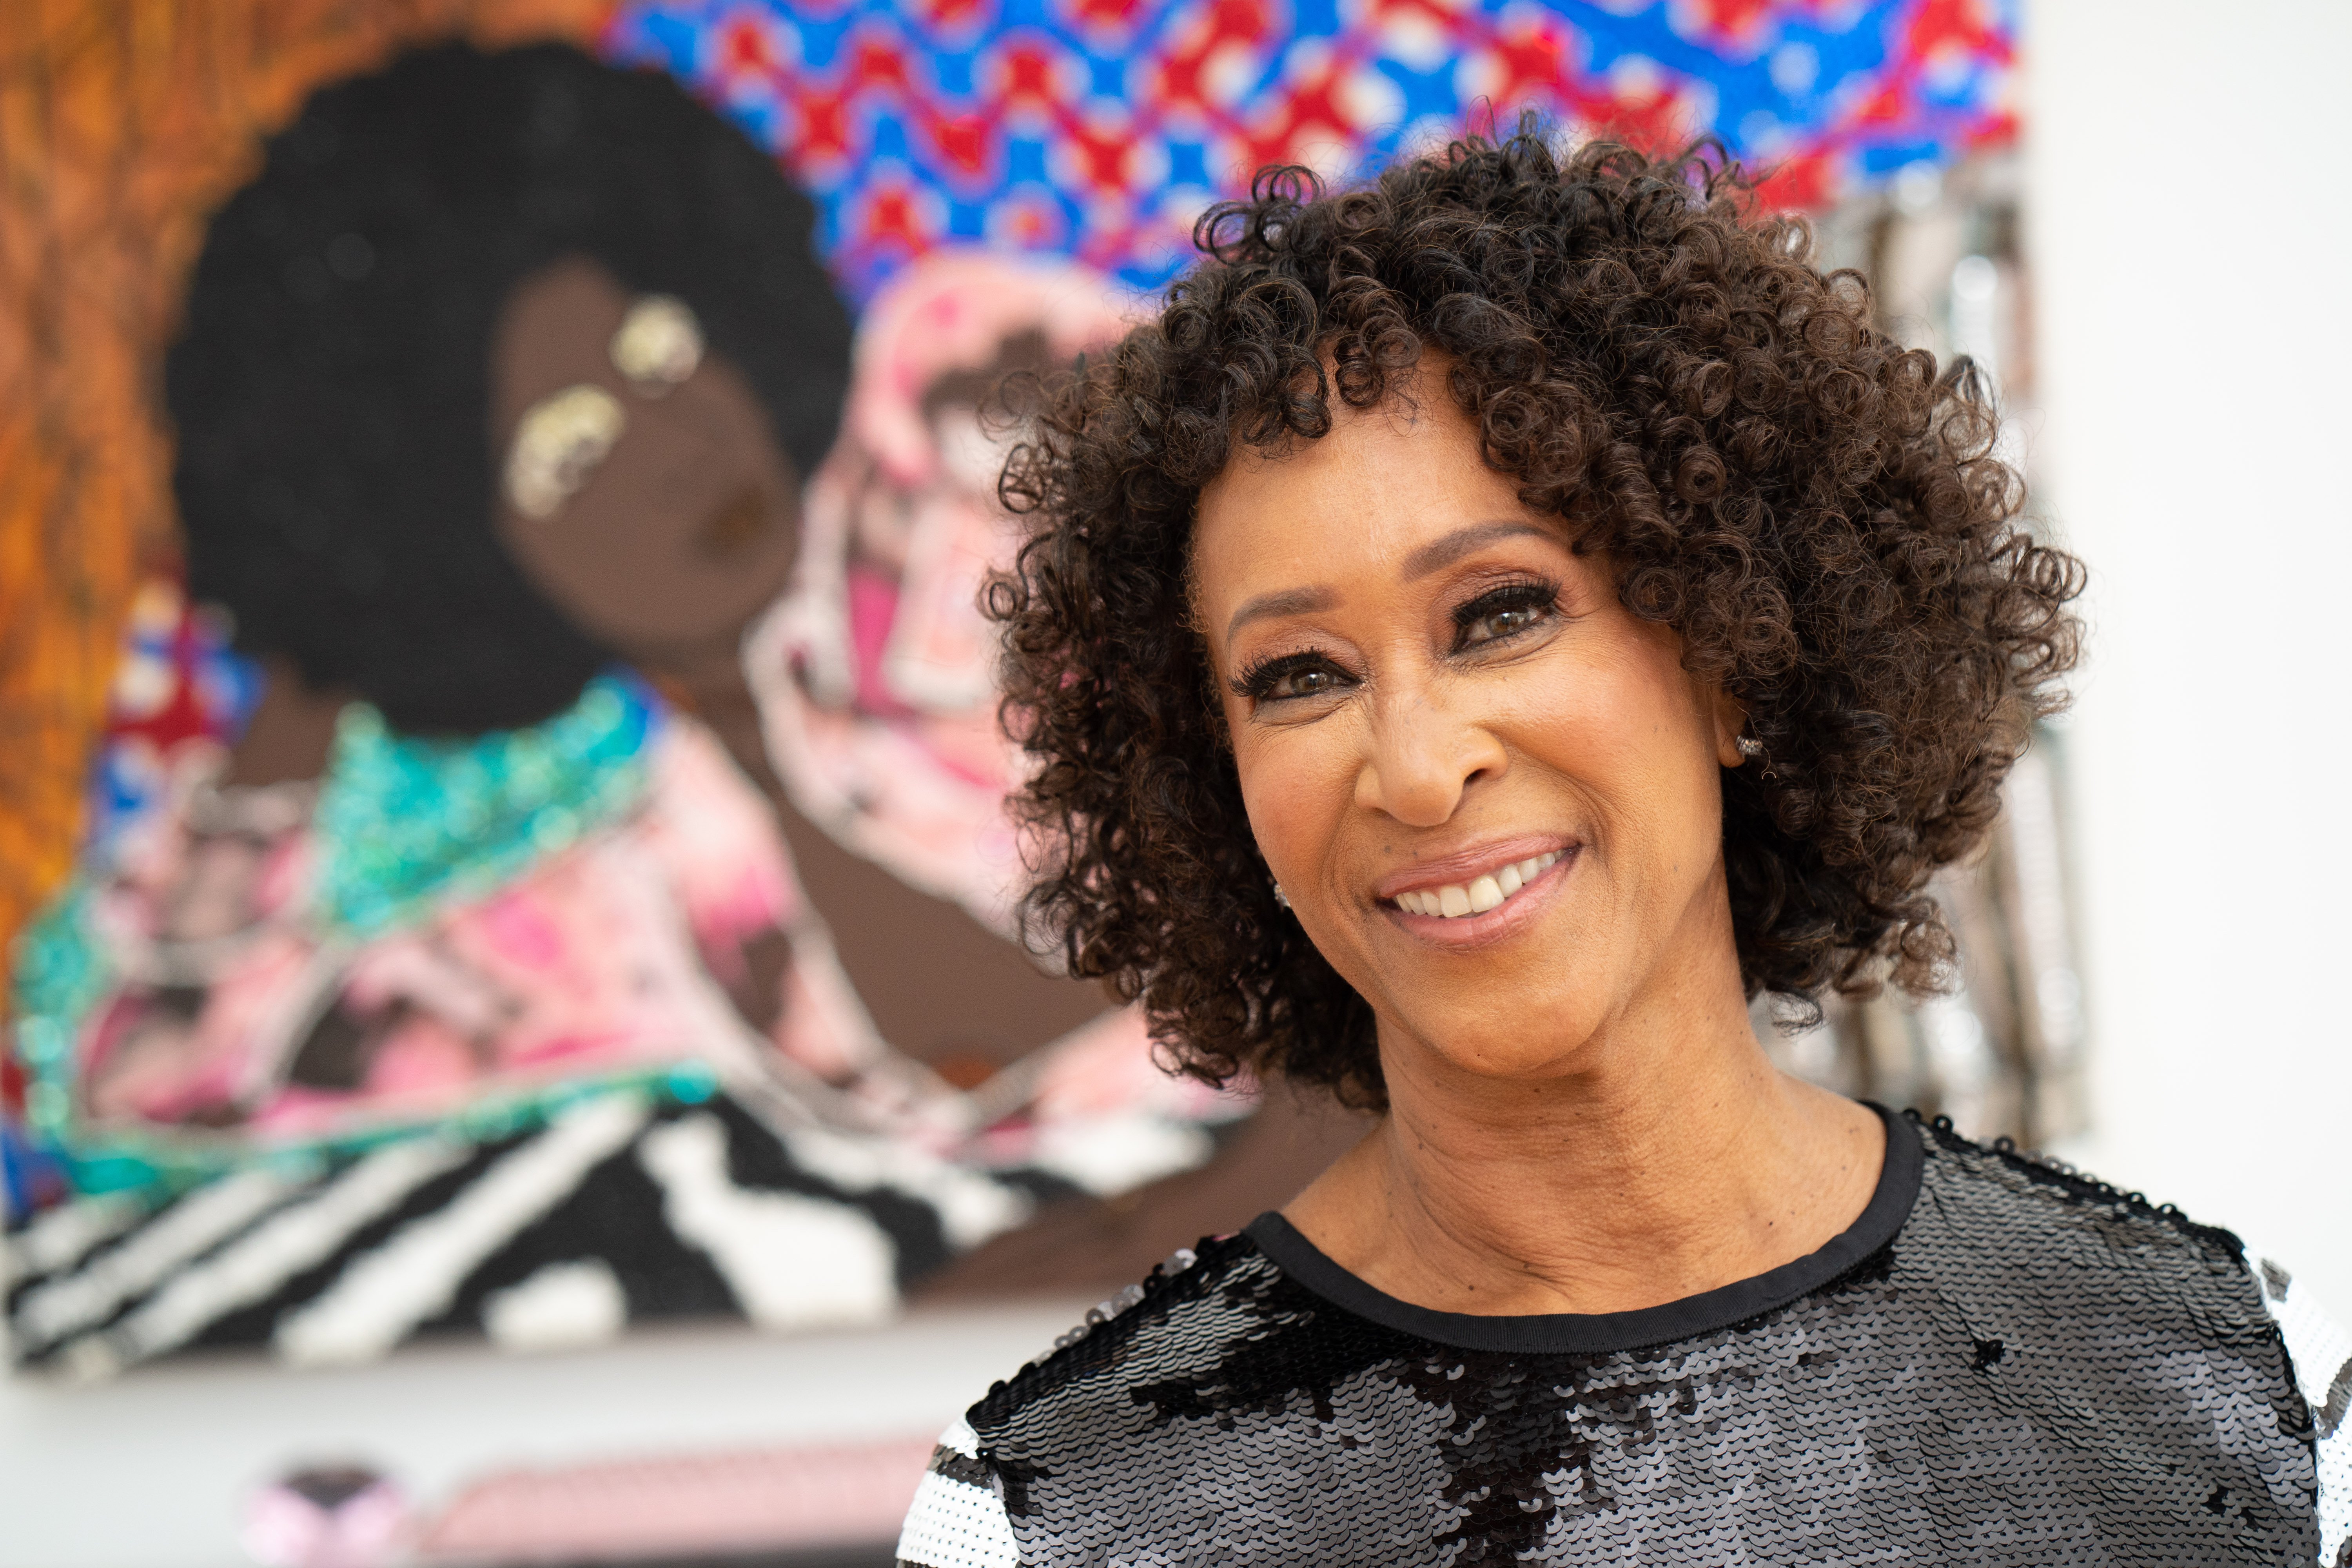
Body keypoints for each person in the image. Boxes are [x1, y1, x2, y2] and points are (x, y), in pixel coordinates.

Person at [895, 129, 2351, 1564]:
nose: (1414, 765)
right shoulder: (1063, 1518)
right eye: (1300, 675)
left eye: (1503, 612)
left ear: (1730, 650)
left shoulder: (2232, 1388)